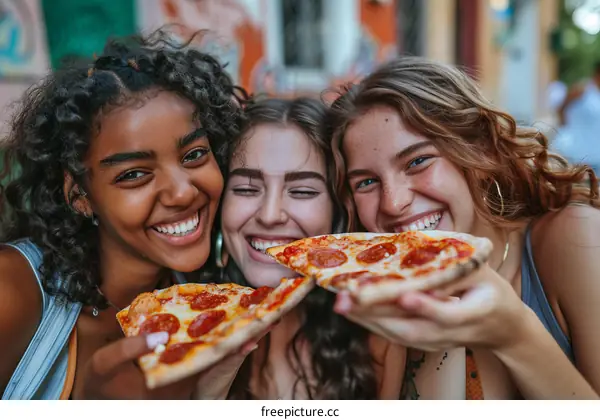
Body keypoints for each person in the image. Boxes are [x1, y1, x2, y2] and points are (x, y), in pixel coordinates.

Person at [0, 29, 263, 400]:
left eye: (194, 155)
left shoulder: (211, 306)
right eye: (134, 175)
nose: (182, 191)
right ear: (79, 195)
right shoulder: (12, 291)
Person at [325, 56, 600, 399]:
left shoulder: (575, 237)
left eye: (418, 161)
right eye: (366, 182)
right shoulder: (387, 302)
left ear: (478, 147)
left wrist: (514, 334)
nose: (393, 203)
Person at [214, 97, 407, 399]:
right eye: (246, 189)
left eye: (302, 191)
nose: (269, 215)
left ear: (338, 215)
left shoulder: (381, 339)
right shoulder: (175, 329)